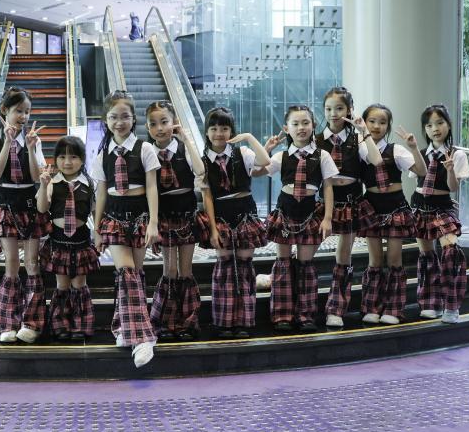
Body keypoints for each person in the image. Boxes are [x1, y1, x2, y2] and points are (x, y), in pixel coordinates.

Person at [91, 91, 160, 368]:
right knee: (127, 272)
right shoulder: (102, 154)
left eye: (124, 117)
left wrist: (153, 223)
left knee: (135, 276)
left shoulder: (145, 149)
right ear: (105, 120)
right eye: (113, 117)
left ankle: (123, 326)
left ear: (133, 119)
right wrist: (97, 228)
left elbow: (152, 187)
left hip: (141, 214)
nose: (119, 122)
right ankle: (143, 337)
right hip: (114, 217)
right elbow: (100, 194)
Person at [262, 104, 338, 332]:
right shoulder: (281, 156)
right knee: (283, 263)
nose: (301, 127)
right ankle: (282, 315)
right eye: (295, 124)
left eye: (305, 123)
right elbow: (256, 171)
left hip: (310, 213)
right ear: (287, 128)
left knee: (306, 265)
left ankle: (305, 315)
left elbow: (328, 187)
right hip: (284, 212)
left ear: (313, 125)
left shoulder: (322, 155)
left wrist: (327, 218)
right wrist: (266, 150)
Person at [0, 87, 49, 344]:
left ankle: (32, 323)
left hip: (30, 204)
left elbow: (36, 176)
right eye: (18, 111)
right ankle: (8, 322)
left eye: (27, 112)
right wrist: (9, 142)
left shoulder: (33, 139)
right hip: (6, 204)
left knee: (32, 263)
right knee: (11, 264)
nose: (23, 116)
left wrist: (30, 148)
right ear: (5, 111)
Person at [199, 107, 271, 339]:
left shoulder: (243, 152)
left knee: (245, 266)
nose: (219, 133)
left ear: (232, 131)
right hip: (221, 215)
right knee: (224, 267)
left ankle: (244, 321)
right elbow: (207, 197)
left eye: (224, 128)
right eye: (213, 128)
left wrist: (248, 137)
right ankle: (224, 322)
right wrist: (212, 229)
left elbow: (265, 160)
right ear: (206, 132)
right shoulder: (202, 161)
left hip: (245, 213)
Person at [355, 104, 426, 325]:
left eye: (382, 122)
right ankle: (371, 307)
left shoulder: (396, 150)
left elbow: (422, 172)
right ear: (364, 122)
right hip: (371, 207)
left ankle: (394, 309)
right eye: (372, 121)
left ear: (388, 126)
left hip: (395, 206)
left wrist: (414, 147)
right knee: (375, 260)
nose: (377, 126)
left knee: (394, 260)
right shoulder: (359, 149)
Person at [317, 88, 380, 327]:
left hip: (352, 200)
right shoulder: (316, 139)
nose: (333, 113)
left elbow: (376, 160)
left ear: (350, 110)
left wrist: (364, 131)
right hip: (322, 202)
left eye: (339, 108)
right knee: (304, 251)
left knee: (343, 256)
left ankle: (336, 309)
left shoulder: (358, 139)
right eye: (328, 109)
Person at [145, 101, 207, 342]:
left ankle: (187, 322)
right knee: (169, 270)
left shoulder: (182, 148)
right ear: (147, 127)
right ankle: (166, 322)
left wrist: (186, 139)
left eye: (164, 122)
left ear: (174, 123)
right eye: (153, 124)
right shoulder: (147, 151)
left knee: (186, 270)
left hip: (186, 214)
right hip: (164, 217)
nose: (159, 128)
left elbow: (200, 171)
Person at [36, 136, 100, 341]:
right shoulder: (52, 183)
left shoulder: (90, 183)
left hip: (81, 241)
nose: (67, 162)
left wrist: (99, 234)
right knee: (62, 284)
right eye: (62, 157)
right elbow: (42, 208)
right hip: (58, 241)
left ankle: (80, 324)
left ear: (82, 159)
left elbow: (96, 211)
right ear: (55, 159)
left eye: (73, 157)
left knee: (79, 283)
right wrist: (43, 185)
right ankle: (60, 324)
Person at [412, 104, 469, 324]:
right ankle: (430, 303)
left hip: (443, 207)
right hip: (420, 206)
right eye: (429, 125)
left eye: (439, 123)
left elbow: (453, 187)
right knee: (427, 257)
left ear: (448, 124)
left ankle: (451, 306)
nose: (435, 129)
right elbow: (417, 183)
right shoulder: (421, 154)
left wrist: (450, 170)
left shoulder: (457, 154)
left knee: (451, 252)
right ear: (425, 129)